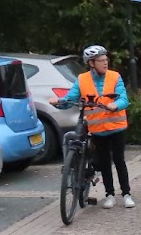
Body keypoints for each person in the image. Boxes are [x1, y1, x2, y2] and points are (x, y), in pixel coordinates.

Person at [51, 45, 133, 209]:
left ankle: (126, 194)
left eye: (106, 60)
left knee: (119, 160)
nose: (105, 63)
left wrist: (115, 105)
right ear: (91, 63)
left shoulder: (115, 77)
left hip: (117, 127)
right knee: (104, 163)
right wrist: (59, 103)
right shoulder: (82, 79)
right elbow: (70, 98)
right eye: (101, 60)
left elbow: (124, 99)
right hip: (98, 130)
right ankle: (109, 194)